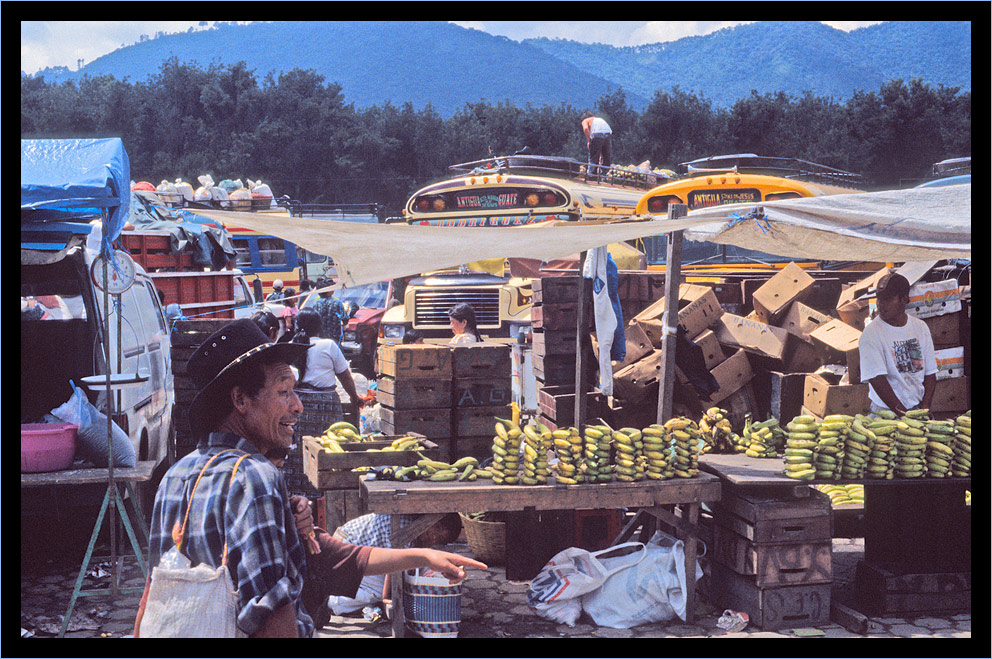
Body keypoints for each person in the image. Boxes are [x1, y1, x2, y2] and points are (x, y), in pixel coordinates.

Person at [139, 319, 485, 638]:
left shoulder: (175, 475)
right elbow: (272, 611)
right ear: (240, 400)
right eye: (283, 391)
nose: (298, 405)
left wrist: (422, 555)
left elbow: (156, 589)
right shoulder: (255, 478)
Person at [859, 272, 937, 416]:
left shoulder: (920, 328)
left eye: (887, 299)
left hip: (916, 408)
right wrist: (903, 414)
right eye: (879, 299)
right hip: (885, 412)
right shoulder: (871, 333)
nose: (881, 304)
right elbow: (877, 379)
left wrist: (924, 408)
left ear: (904, 299)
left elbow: (930, 374)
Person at [292, 309, 361, 421]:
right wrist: (354, 397)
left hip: (299, 405)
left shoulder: (290, 346)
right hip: (328, 405)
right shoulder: (329, 345)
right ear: (319, 327)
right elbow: (345, 376)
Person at [311, 278, 346, 344]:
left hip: (320, 337)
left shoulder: (315, 304)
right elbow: (345, 318)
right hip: (334, 337)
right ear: (329, 291)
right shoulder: (336, 303)